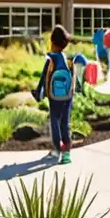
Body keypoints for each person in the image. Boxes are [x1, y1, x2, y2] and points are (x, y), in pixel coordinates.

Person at [35, 25, 76, 165]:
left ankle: (57, 150)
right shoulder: (70, 59)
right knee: (65, 123)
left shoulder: (50, 58)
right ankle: (67, 153)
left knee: (55, 122)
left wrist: (38, 92)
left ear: (52, 42)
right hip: (68, 95)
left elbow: (43, 77)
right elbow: (74, 78)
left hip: (54, 96)